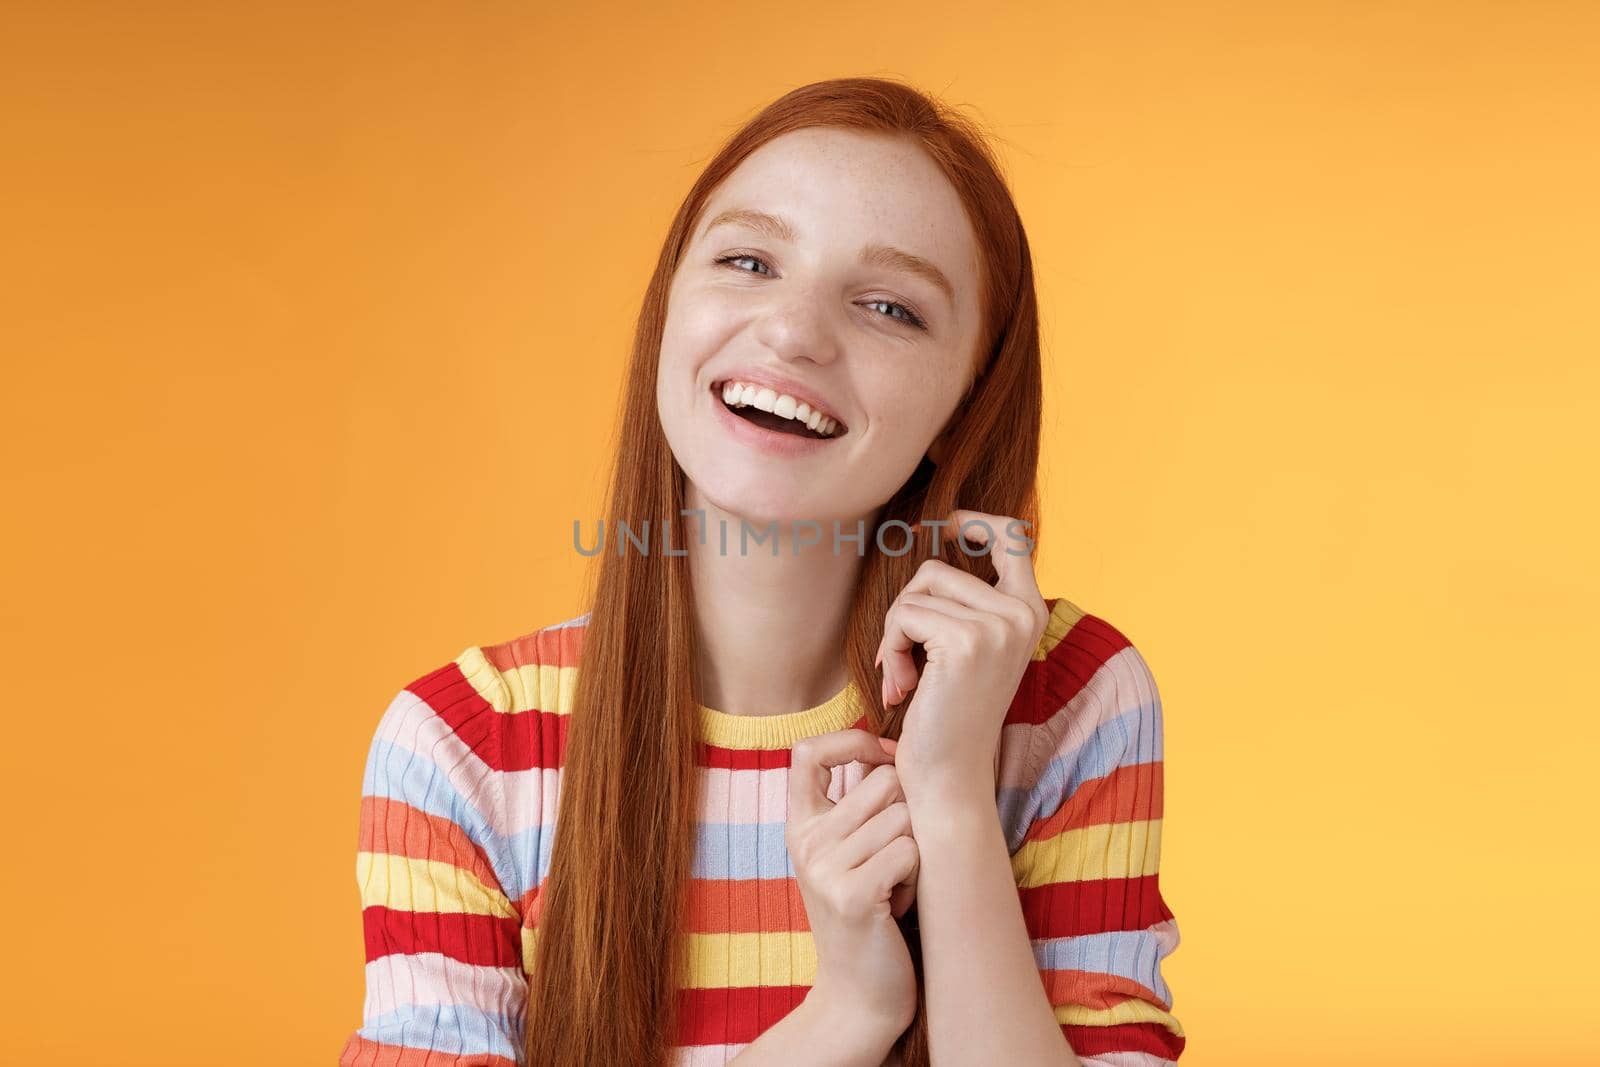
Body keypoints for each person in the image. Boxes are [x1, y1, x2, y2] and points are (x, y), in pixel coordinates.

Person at [339, 76, 1184, 1067]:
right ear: (668, 312)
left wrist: (950, 799)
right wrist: (846, 1013)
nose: (791, 331)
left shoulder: (1070, 696)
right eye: (748, 260)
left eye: (889, 307)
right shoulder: (465, 747)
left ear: (967, 400)